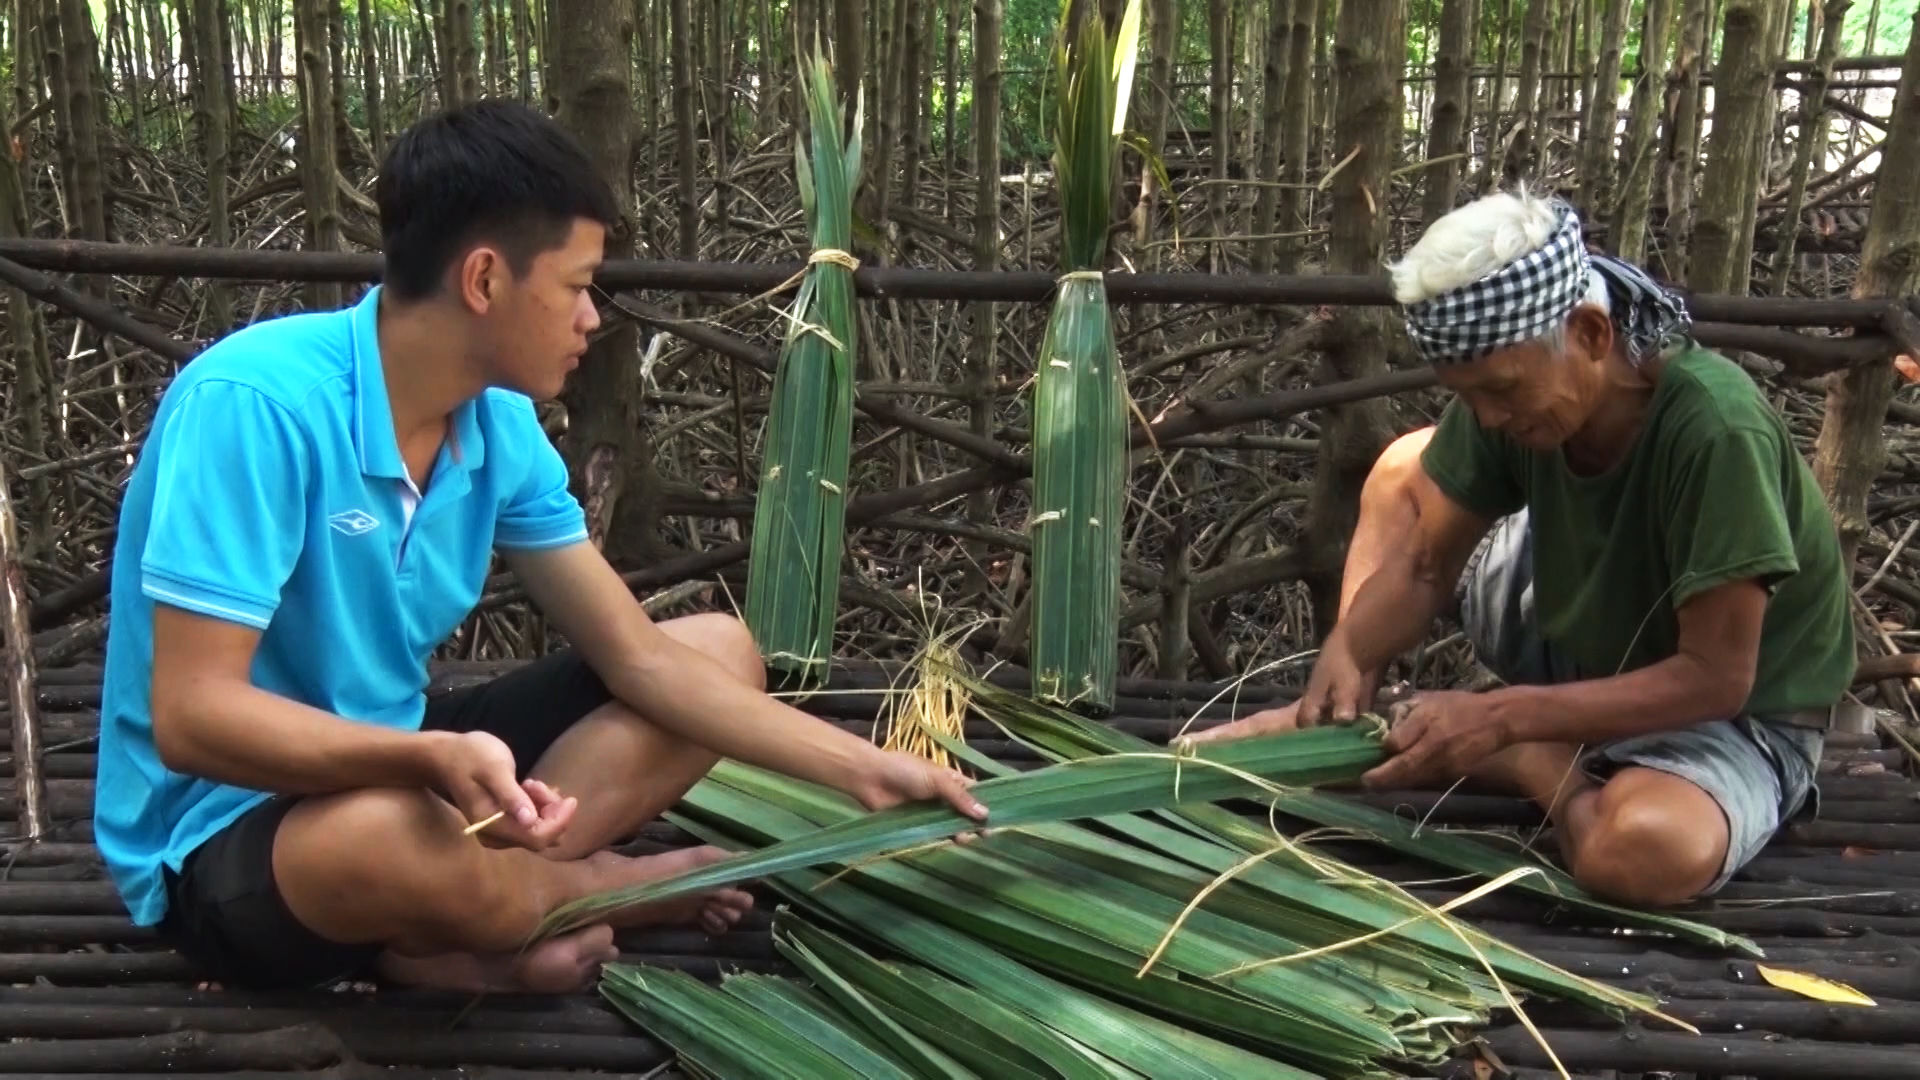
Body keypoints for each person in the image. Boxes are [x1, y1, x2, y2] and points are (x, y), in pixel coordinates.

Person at [93, 99, 988, 996]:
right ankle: (585, 894)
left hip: (409, 765)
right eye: (575, 284)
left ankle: (458, 929)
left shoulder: (499, 428)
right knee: (385, 835)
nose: (592, 318)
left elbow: (637, 659)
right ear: (484, 280)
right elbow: (192, 717)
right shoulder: (257, 407)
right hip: (228, 839)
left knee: (715, 651)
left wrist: (863, 768)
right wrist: (425, 761)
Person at [1189, 190, 1858, 908]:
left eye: (1502, 391)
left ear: (1592, 335)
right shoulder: (1506, 398)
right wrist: (1350, 651)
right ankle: (1403, 723)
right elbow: (1422, 563)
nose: (1487, 418)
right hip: (1578, 638)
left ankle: (1534, 764)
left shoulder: (1716, 432)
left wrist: (1506, 721)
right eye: (1467, 396)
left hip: (1727, 714)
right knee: (1403, 472)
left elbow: (1715, 678)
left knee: (1637, 852)